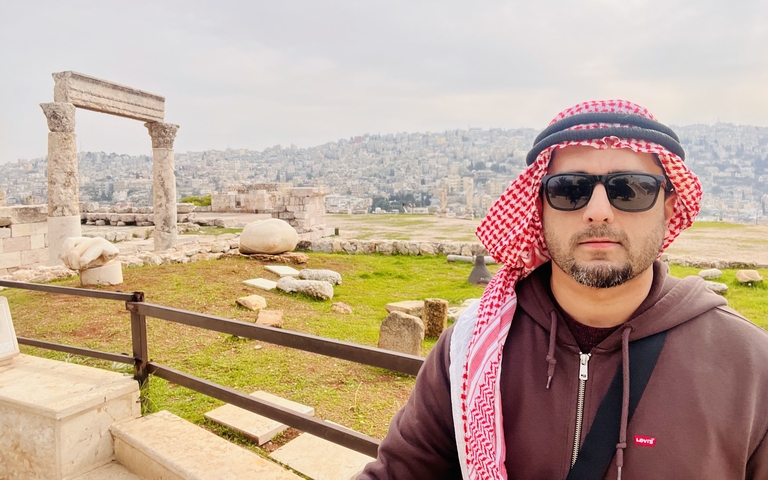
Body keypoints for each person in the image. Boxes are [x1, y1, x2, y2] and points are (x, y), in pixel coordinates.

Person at [359, 100, 768, 480]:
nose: (598, 210)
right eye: (570, 189)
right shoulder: (470, 352)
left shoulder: (748, 366)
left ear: (669, 207)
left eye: (631, 189)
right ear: (539, 207)